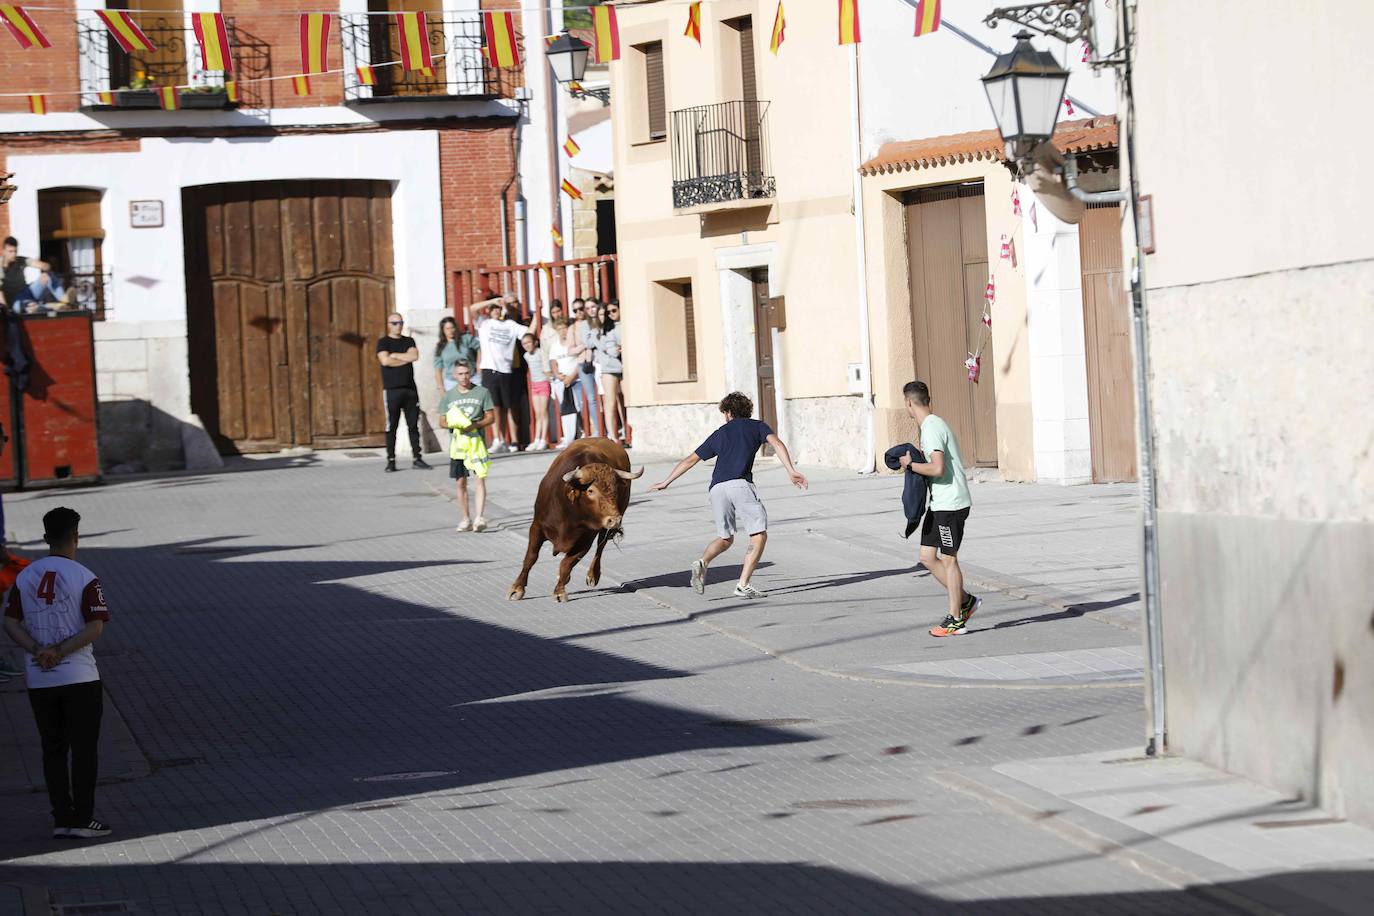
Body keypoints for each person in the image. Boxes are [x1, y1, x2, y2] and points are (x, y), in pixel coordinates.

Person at [2, 507, 113, 839]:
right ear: (76, 536)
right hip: (79, 677)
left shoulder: (26, 576)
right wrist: (61, 652)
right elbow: (95, 628)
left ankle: (61, 817)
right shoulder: (85, 577)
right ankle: (83, 818)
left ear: (45, 537)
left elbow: (10, 622)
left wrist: (38, 651)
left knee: (52, 748)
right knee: (83, 750)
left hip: (40, 679)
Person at [649, 392, 808, 599]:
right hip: (740, 485)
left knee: (725, 538)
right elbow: (777, 444)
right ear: (747, 411)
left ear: (728, 413)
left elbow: (690, 460)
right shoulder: (758, 426)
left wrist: (666, 482)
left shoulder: (720, 433)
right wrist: (791, 471)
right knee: (758, 534)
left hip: (717, 488)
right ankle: (743, 584)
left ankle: (703, 562)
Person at [899, 380, 980, 637]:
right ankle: (965, 600)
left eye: (906, 404)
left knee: (948, 559)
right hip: (940, 503)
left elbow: (937, 468)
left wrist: (910, 465)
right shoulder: (933, 424)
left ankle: (956, 619)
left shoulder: (931, 427)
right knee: (926, 556)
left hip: (951, 505)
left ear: (909, 402)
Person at [468, 294, 541, 454]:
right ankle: (498, 439)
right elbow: (472, 308)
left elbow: (529, 332)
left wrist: (537, 314)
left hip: (506, 370)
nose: (496, 310)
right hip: (489, 369)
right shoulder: (484, 323)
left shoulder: (510, 325)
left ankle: (514, 441)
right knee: (494, 407)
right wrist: (493, 300)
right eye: (493, 308)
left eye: (498, 308)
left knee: (509, 407)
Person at [437, 361, 495, 532]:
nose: (464, 377)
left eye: (466, 373)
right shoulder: (449, 396)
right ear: (455, 375)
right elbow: (441, 421)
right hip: (458, 445)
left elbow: (491, 417)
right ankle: (465, 518)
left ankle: (479, 518)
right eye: (460, 374)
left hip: (477, 444)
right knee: (460, 483)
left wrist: (475, 425)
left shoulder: (482, 392)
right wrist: (456, 424)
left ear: (471, 374)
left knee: (479, 480)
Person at [375, 312, 431, 473]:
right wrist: (402, 358)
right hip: (392, 390)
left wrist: (395, 356)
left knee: (413, 425)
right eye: (394, 323)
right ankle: (391, 460)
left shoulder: (409, 340)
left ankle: (417, 458)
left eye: (400, 322)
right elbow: (385, 360)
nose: (398, 325)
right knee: (391, 426)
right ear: (388, 324)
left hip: (410, 389)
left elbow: (414, 356)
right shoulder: (383, 342)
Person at [547, 318, 581, 447]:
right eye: (559, 329)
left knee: (580, 407)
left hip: (576, 379)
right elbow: (553, 362)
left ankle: (582, 433)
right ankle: (569, 438)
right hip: (562, 381)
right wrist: (557, 375)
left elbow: (579, 360)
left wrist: (572, 376)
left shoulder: (574, 343)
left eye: (564, 328)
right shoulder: (555, 346)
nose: (562, 331)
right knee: (566, 409)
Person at [596, 301, 626, 444]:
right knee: (610, 402)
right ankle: (613, 436)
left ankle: (627, 432)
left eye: (614, 310)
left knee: (626, 401)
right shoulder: (607, 328)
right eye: (608, 312)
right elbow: (611, 350)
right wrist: (619, 348)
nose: (611, 314)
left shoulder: (627, 324)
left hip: (625, 368)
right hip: (609, 368)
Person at [575, 301, 604, 437]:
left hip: (602, 362)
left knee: (606, 396)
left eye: (593, 307)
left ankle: (613, 428)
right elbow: (587, 343)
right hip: (586, 364)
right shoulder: (583, 324)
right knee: (592, 398)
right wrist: (596, 334)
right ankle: (599, 429)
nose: (591, 310)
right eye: (588, 308)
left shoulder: (603, 319)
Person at [520, 333, 552, 451]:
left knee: (543, 412)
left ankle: (543, 439)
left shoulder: (540, 353)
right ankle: (536, 439)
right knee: (537, 413)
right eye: (524, 343)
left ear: (535, 342)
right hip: (534, 386)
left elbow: (546, 367)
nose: (526, 345)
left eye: (528, 342)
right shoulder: (526, 356)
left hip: (543, 383)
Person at [433, 316, 479, 394]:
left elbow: (480, 347)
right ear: (443, 330)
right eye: (447, 329)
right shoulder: (440, 347)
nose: (451, 331)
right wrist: (441, 387)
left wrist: (479, 365)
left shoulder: (466, 338)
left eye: (452, 328)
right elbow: (438, 369)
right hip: (452, 383)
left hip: (471, 379)